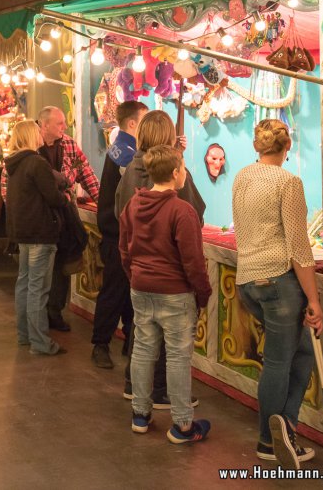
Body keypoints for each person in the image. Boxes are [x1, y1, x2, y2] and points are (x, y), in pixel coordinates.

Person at [232, 119, 321, 468]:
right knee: (280, 363)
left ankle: (285, 430)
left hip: (247, 281)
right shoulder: (289, 182)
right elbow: (300, 249)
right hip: (278, 282)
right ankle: (269, 442)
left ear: (259, 146)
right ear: (287, 147)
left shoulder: (242, 176)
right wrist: (314, 300)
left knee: (301, 354)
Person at [120, 145, 212, 444]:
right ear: (175, 173)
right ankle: (183, 424)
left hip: (141, 287)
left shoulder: (133, 205)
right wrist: (203, 293)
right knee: (177, 357)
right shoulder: (182, 211)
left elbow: (124, 249)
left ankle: (140, 414)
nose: (184, 172)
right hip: (175, 292)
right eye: (183, 167)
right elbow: (193, 261)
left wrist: (134, 275)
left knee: (144, 350)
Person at [115, 109, 205, 409]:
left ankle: (138, 401)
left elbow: (122, 222)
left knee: (142, 341)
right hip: (171, 279)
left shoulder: (130, 170)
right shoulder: (178, 200)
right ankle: (174, 408)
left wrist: (132, 269)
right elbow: (194, 222)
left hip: (140, 275)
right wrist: (202, 292)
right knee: (174, 349)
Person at [4, 120, 71, 355]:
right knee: (38, 289)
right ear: (32, 136)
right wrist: (66, 199)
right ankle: (41, 342)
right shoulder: (36, 163)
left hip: (22, 231)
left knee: (24, 284)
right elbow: (53, 197)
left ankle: (25, 335)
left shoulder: (14, 165)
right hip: (41, 232)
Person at [91, 101, 149, 370]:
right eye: (145, 120)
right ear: (133, 123)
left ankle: (128, 339)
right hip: (118, 234)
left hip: (118, 231)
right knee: (115, 291)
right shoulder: (126, 153)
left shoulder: (122, 147)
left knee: (127, 293)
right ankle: (100, 343)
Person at [38, 106, 100, 332]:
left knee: (62, 266)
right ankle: (37, 317)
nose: (65, 127)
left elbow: (86, 173)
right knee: (40, 268)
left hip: (65, 216)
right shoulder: (31, 146)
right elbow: (8, 184)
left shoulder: (69, 145)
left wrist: (103, 203)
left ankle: (55, 312)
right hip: (41, 218)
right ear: (44, 125)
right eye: (59, 124)